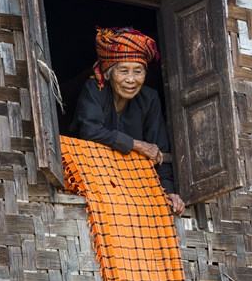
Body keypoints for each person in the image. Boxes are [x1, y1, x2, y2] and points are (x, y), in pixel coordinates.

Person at [74, 26, 185, 215]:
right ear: (108, 73)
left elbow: (160, 152)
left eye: (138, 71)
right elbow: (89, 132)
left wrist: (170, 191)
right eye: (123, 71)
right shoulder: (94, 89)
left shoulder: (149, 99)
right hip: (95, 182)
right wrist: (137, 145)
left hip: (135, 188)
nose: (131, 80)